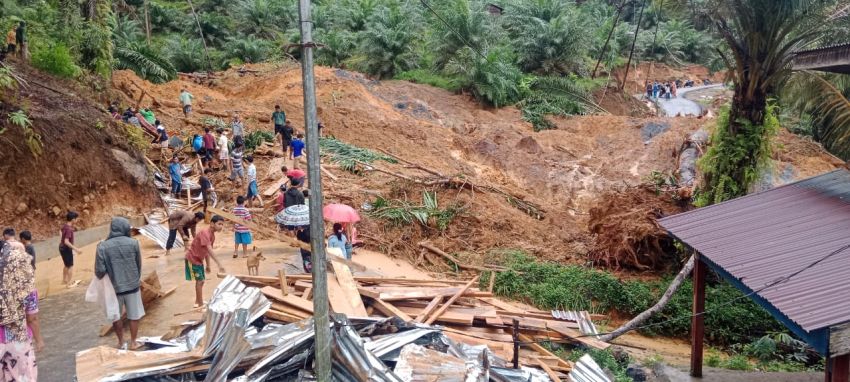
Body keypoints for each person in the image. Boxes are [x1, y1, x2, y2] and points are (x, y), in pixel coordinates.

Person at [94, 217, 144, 350]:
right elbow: (138, 265)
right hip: (133, 285)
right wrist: (135, 279)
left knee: (116, 316)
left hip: (114, 289)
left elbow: (99, 271)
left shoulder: (102, 247)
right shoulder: (134, 243)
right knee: (134, 315)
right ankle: (134, 342)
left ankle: (121, 342)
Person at [0, 242, 43, 381]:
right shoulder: (28, 289)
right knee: (24, 376)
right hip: (19, 341)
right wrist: (39, 340)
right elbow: (32, 319)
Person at [185, 215, 226, 308]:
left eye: (222, 225)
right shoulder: (205, 233)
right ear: (212, 223)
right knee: (200, 281)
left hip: (199, 260)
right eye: (219, 224)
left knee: (200, 281)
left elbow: (207, 251)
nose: (221, 226)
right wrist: (219, 264)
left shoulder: (212, 236)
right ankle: (200, 305)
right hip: (192, 259)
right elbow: (210, 249)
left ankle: (197, 301)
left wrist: (208, 265)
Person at [60, 211, 82, 287]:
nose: (76, 220)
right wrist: (76, 249)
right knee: (70, 266)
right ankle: (69, 283)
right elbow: (66, 241)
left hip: (61, 247)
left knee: (66, 265)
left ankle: (64, 280)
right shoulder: (69, 229)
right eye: (76, 219)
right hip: (66, 248)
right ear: (73, 219)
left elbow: (60, 231)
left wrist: (61, 240)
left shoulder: (65, 226)